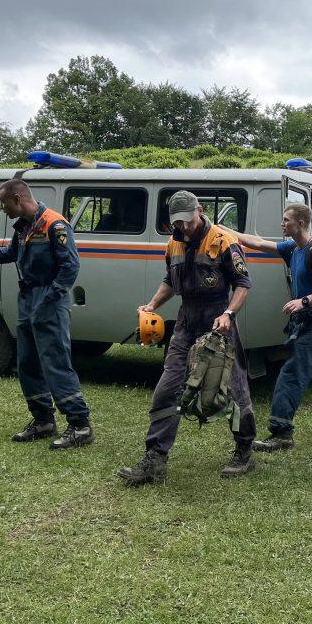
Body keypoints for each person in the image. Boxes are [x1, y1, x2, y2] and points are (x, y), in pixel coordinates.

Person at [116, 191, 255, 485]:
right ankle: (155, 460)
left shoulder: (224, 241)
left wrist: (229, 314)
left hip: (218, 320)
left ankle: (245, 450)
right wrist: (153, 304)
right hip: (185, 321)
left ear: (200, 211)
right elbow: (171, 279)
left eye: (188, 222)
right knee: (168, 387)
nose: (183, 228)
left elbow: (243, 283)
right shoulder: (174, 242)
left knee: (234, 386)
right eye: (177, 223)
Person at [0, 179, 93, 449]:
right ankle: (43, 420)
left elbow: (70, 267)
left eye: (3, 203)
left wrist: (48, 301)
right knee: (27, 362)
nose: (2, 209)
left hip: (50, 299)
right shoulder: (23, 227)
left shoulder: (55, 224)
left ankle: (80, 424)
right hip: (27, 299)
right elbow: (10, 253)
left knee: (55, 362)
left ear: (17, 198)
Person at [230, 203, 312, 452]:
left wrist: (304, 301)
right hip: (307, 322)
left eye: (286, 220)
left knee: (292, 372)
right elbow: (257, 243)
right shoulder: (294, 248)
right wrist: (220, 229)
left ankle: (281, 431)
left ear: (300, 223)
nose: (282, 224)